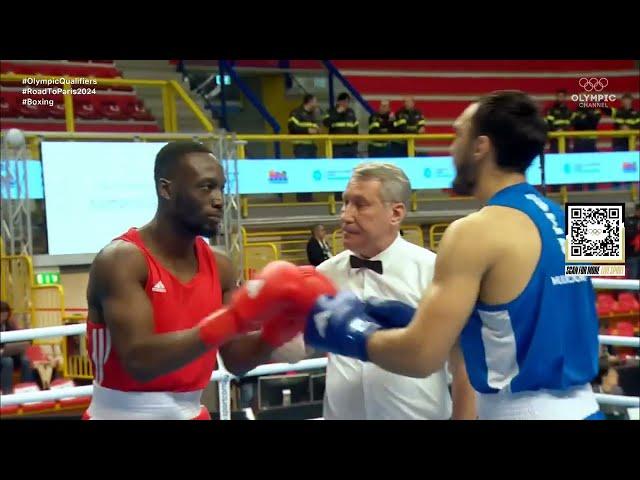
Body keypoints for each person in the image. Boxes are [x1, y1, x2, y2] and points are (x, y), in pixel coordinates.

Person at [305, 91, 603, 420]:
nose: (451, 148)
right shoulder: (587, 216)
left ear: (481, 147)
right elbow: (576, 312)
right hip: (587, 407)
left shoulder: (472, 231)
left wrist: (350, 331)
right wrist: (432, 324)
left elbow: (421, 357)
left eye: (458, 134)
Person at [83, 141, 335, 420]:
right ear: (166, 189)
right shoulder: (121, 260)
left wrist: (274, 335)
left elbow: (236, 359)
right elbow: (139, 361)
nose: (218, 199)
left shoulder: (220, 264)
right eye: (205, 187)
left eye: (221, 188)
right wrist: (229, 322)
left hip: (192, 412)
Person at [308, 163, 476, 420]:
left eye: (360, 204)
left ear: (396, 213)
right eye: (345, 203)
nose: (345, 215)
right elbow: (296, 346)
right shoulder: (324, 274)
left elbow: (464, 363)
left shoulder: (432, 271)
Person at [288, 93, 320, 201]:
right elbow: (292, 128)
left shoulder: (313, 115)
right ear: (310, 101)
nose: (317, 104)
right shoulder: (296, 113)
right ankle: (301, 198)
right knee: (302, 173)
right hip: (301, 147)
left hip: (311, 147)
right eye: (315, 101)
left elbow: (315, 128)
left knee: (310, 173)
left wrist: (317, 130)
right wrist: (307, 131)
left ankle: (309, 197)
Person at [1, 301, 35, 395]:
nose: (4, 316)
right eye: (1, 314)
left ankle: (26, 391)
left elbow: (20, 335)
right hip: (3, 357)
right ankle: (7, 393)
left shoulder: (10, 324)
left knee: (25, 360)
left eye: (5, 314)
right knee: (7, 361)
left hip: (9, 353)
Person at [323, 93, 359, 158]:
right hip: (337, 146)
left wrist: (355, 144)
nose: (346, 104)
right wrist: (337, 113)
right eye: (344, 101)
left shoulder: (351, 112)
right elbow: (326, 123)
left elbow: (355, 128)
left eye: (347, 102)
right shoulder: (331, 111)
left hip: (351, 146)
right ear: (338, 102)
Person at [544, 89, 572, 153]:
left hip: (565, 137)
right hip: (555, 138)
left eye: (562, 96)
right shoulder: (552, 110)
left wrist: (564, 130)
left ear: (565, 97)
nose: (561, 98)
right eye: (559, 96)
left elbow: (570, 123)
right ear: (556, 97)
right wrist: (556, 130)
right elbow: (549, 123)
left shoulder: (568, 110)